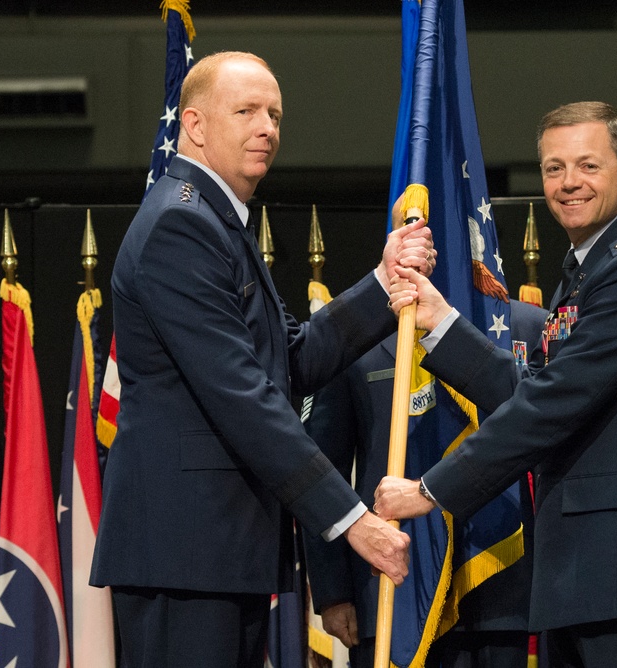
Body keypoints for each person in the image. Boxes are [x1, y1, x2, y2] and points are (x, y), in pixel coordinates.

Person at [90, 51, 433, 667]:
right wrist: (352, 520)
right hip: (186, 555)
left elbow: (289, 362)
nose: (267, 128)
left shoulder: (220, 223)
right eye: (246, 111)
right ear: (194, 125)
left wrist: (383, 285)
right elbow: (243, 397)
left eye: (274, 113)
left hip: (218, 552)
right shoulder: (181, 226)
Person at [374, 102, 617, 668]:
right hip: (587, 578)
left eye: (588, 166)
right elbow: (532, 387)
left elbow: (550, 405)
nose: (568, 184)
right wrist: (440, 322)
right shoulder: (590, 268)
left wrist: (430, 491)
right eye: (554, 168)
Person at [303, 299, 548, 668]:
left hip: (502, 587)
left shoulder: (528, 325)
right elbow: (322, 467)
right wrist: (333, 592)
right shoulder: (353, 331)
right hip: (393, 589)